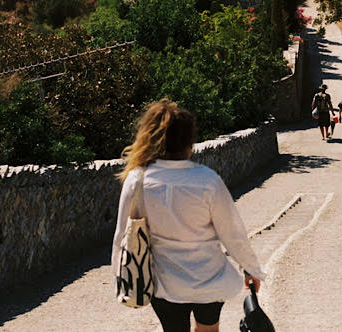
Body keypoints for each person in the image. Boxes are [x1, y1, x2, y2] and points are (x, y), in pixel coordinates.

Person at [112, 100, 266, 332]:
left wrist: (121, 278)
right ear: (189, 142)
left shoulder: (138, 180)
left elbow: (122, 236)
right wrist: (251, 270)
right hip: (210, 279)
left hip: (165, 283)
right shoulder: (207, 180)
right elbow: (232, 234)